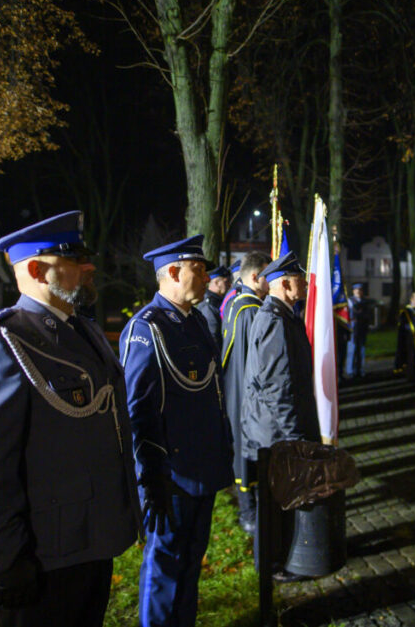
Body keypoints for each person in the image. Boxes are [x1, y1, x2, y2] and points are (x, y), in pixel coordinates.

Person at [0, 211, 141, 627]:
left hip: (91, 540)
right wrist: (7, 560)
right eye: (74, 258)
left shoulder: (84, 331)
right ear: (37, 270)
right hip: (42, 556)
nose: (89, 266)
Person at [119, 235, 234, 627]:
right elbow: (136, 410)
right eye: (197, 270)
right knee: (165, 564)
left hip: (203, 467)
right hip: (171, 474)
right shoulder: (145, 328)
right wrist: (148, 477)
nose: (205, 277)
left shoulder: (195, 321)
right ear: (171, 272)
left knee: (191, 561)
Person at [240, 251, 320, 582]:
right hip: (274, 435)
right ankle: (271, 568)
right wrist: (295, 438)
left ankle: (278, 561)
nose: (305, 284)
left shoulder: (282, 315)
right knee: (274, 508)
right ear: (285, 285)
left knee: (280, 504)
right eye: (300, 279)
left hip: (275, 432)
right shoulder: (274, 320)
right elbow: (277, 387)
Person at [219, 251, 271, 534]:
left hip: (235, 386)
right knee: (247, 451)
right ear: (254, 276)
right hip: (245, 390)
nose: (270, 281)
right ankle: (249, 513)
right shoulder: (251, 310)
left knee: (242, 448)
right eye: (267, 275)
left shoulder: (235, 302)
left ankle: (249, 509)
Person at [195, 265, 230, 349]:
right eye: (226, 282)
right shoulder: (209, 305)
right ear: (217, 283)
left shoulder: (217, 301)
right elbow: (212, 337)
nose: (229, 285)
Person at [345, 283, 370, 379]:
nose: (358, 291)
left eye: (360, 290)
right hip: (353, 327)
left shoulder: (365, 301)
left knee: (361, 349)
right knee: (352, 349)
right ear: (353, 291)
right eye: (356, 290)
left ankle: (360, 369)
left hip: (362, 327)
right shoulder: (350, 301)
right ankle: (350, 370)